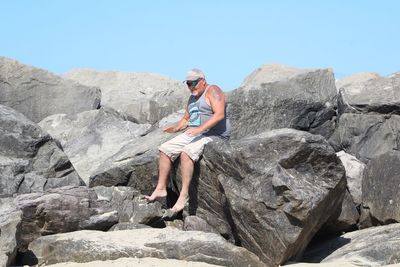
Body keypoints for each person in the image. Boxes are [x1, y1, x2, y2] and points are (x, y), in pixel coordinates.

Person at [145, 68, 230, 215]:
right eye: (188, 84)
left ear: (203, 81)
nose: (191, 87)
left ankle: (183, 195)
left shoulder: (213, 90)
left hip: (215, 134)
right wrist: (173, 128)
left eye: (194, 83)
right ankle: (160, 189)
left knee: (186, 152)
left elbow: (219, 115)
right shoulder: (192, 98)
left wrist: (199, 129)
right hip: (195, 133)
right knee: (165, 148)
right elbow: (186, 119)